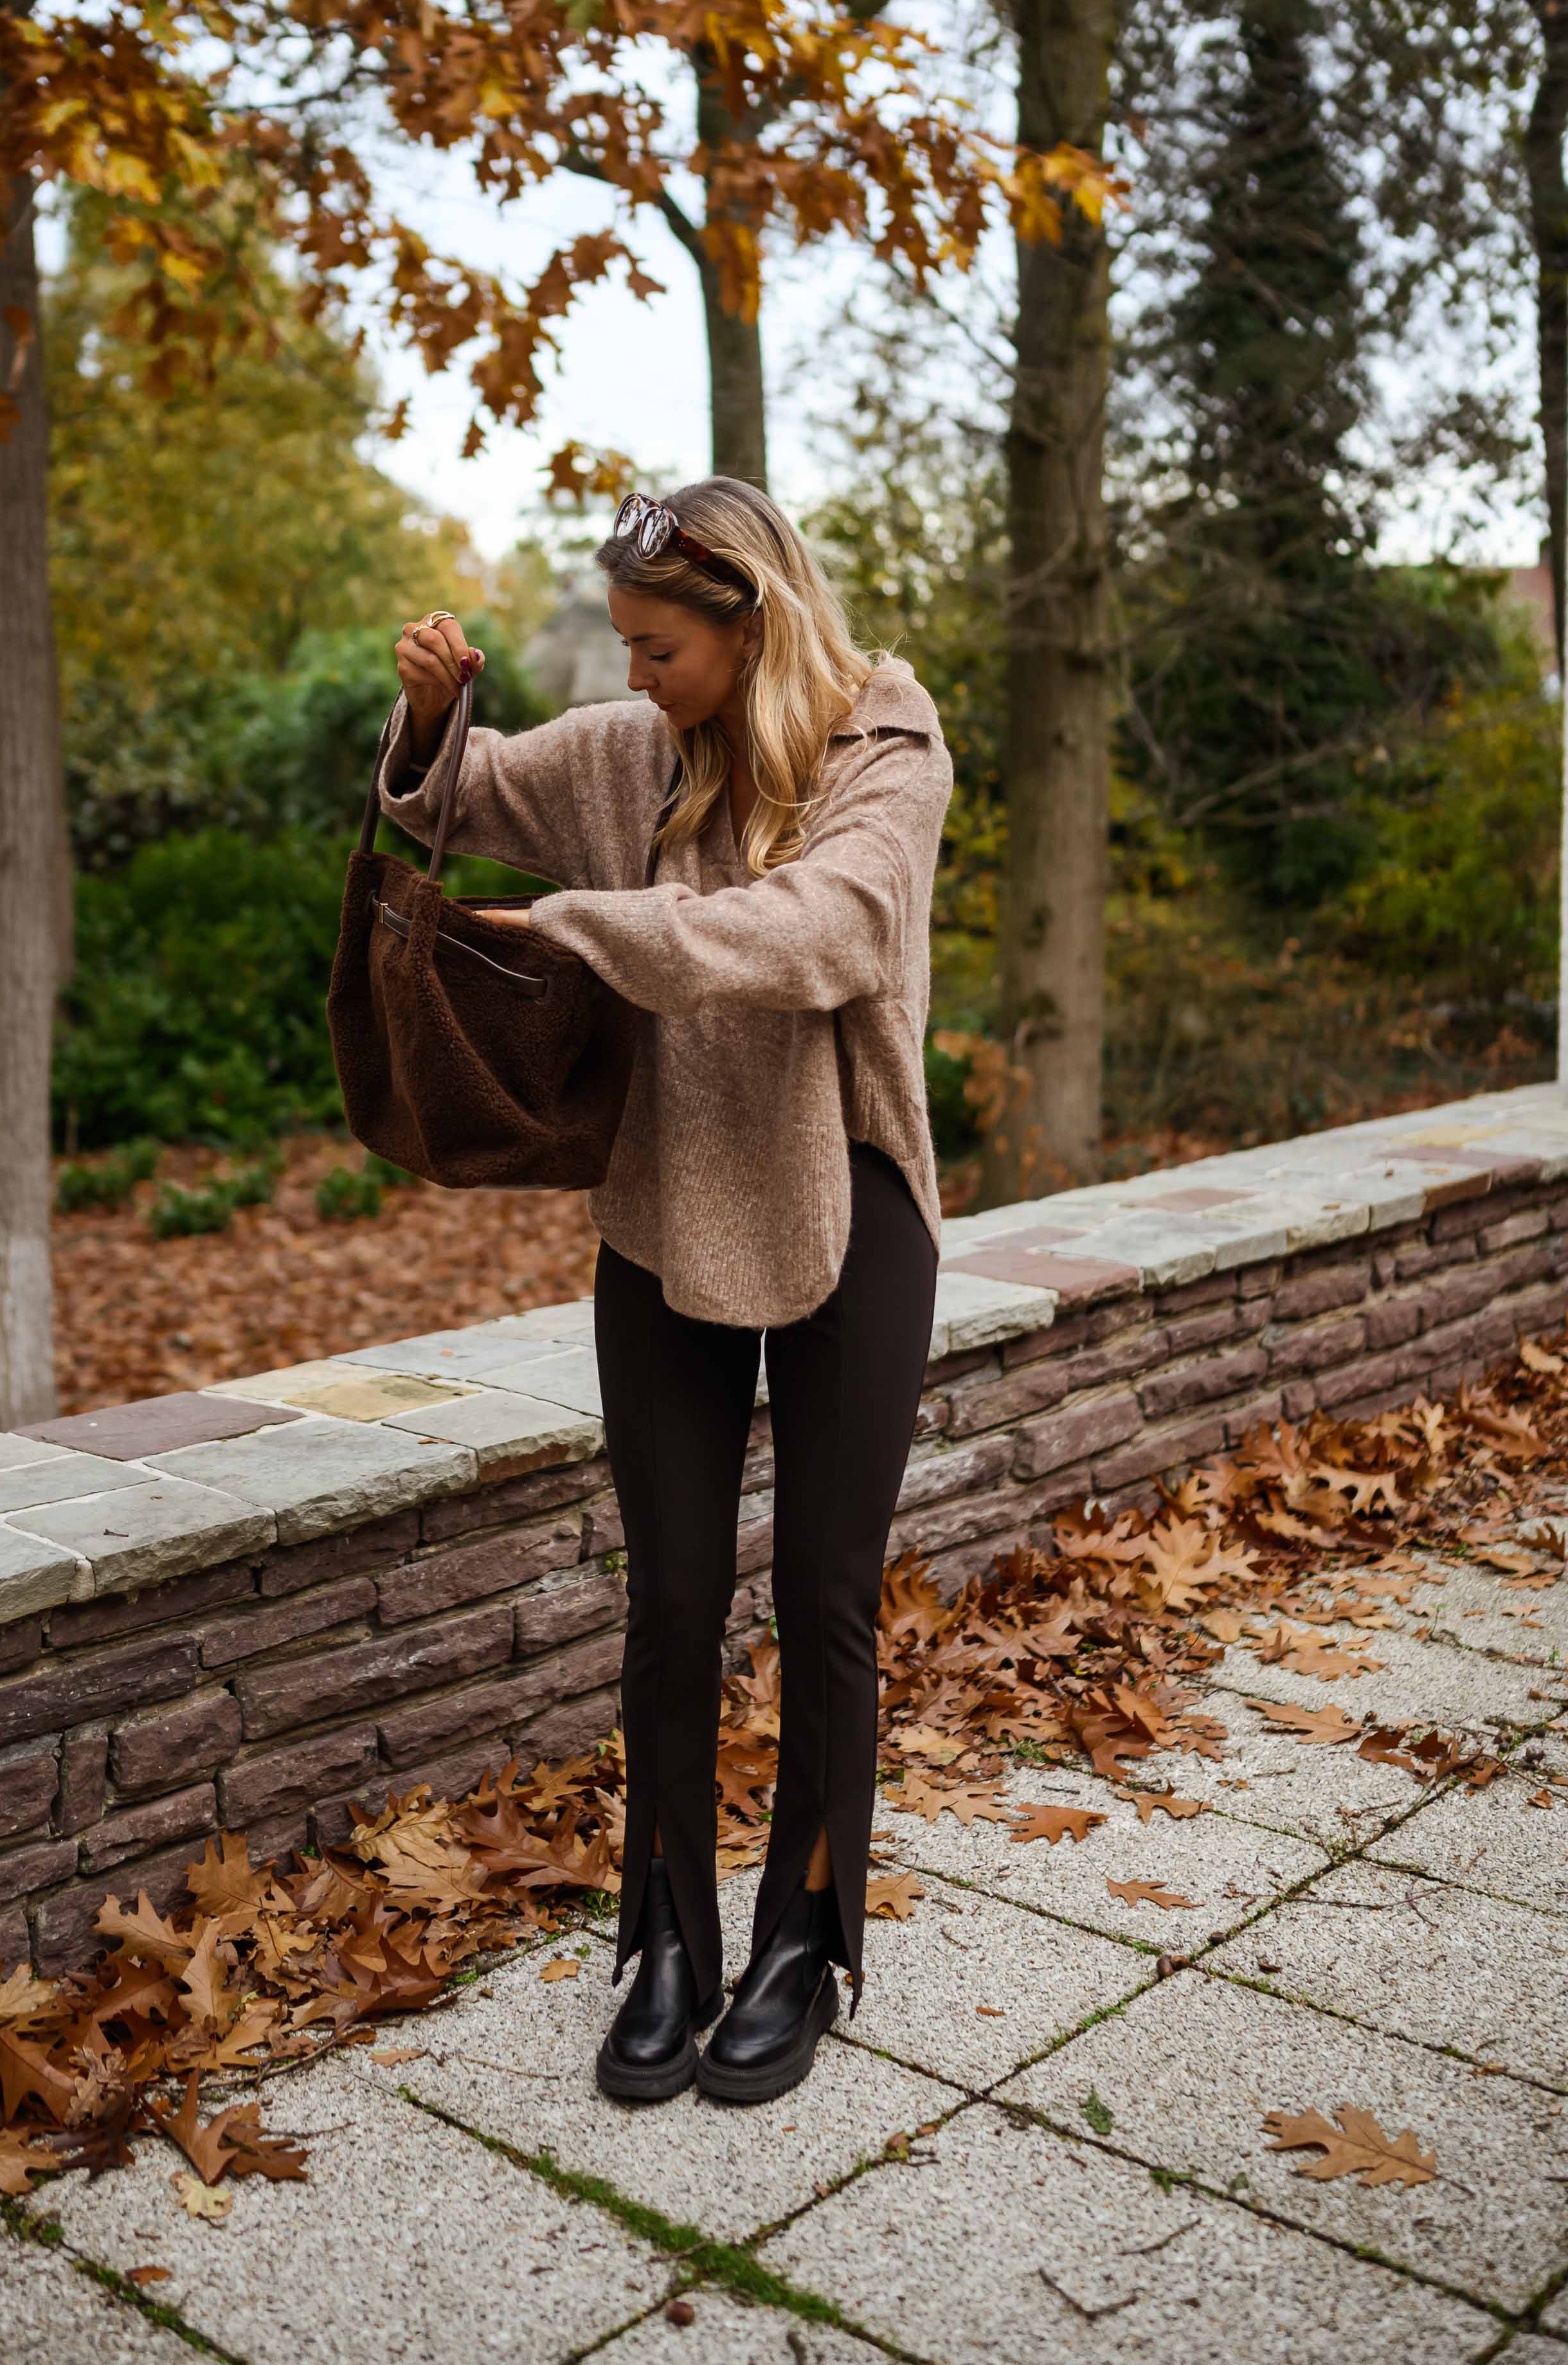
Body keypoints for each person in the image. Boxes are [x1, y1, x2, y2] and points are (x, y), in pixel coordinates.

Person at [384, 476, 951, 2107]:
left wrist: (580, 929)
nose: (632, 677)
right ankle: (667, 1942)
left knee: (826, 1605)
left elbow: (822, 930)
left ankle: (803, 1941)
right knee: (672, 1602)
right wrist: (429, 717)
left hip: (850, 1197)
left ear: (749, 624)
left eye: (660, 649)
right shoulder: (628, 753)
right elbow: (463, 794)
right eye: (620, 644)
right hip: (658, 1213)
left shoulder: (879, 749)